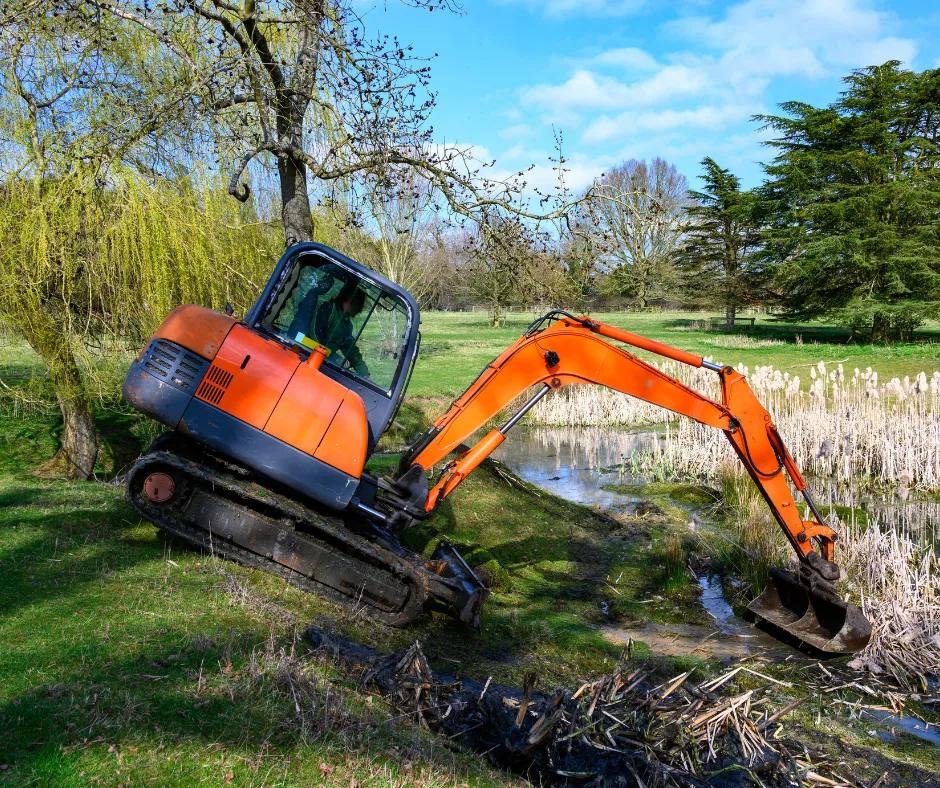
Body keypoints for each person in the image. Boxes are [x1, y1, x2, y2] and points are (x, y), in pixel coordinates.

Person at [312, 285, 371, 379]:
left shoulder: (346, 324)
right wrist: (335, 358)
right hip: (308, 355)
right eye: (357, 306)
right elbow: (315, 337)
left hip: (324, 363)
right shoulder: (328, 309)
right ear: (347, 301)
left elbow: (351, 351)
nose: (359, 311)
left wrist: (366, 375)